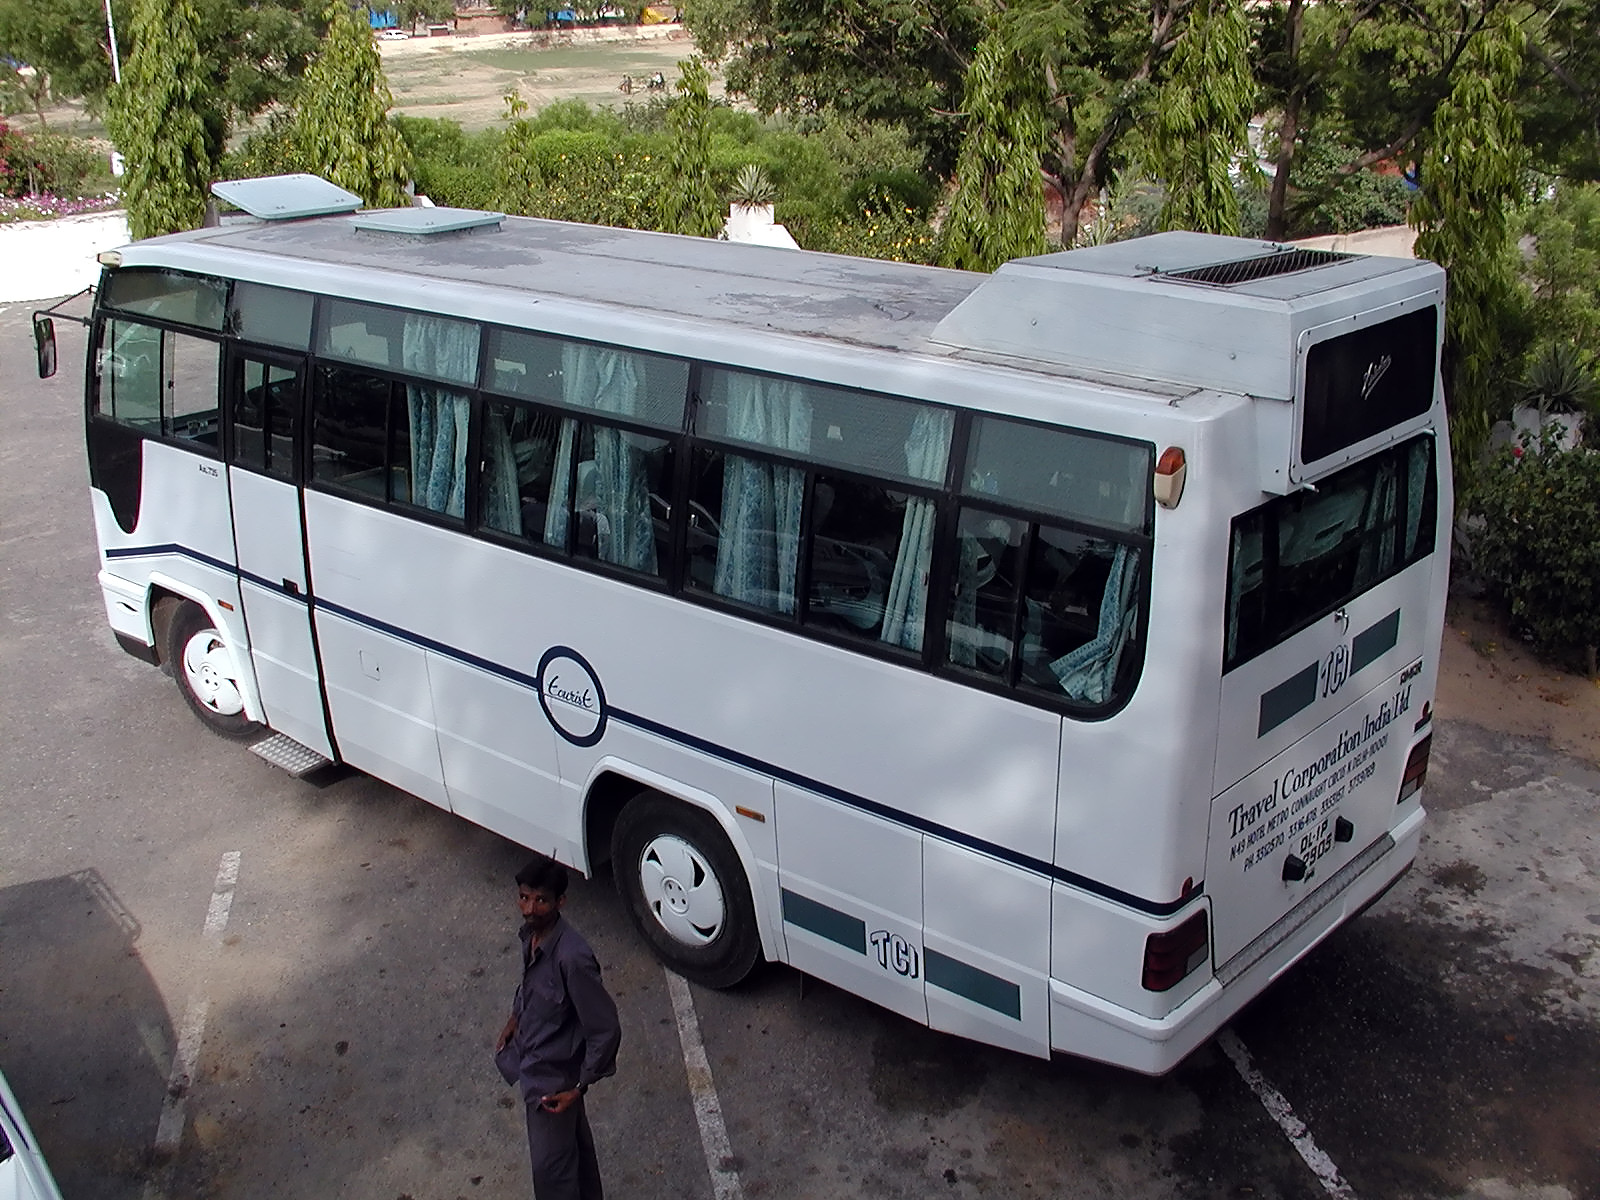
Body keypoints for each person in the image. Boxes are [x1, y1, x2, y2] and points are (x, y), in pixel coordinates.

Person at [495, 854, 622, 1200]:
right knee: (575, 1158)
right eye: (524, 897)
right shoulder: (531, 937)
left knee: (551, 1174)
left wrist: (579, 1087)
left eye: (540, 900)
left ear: (560, 902)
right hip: (534, 1064)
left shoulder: (572, 958)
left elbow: (605, 1028)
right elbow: (531, 987)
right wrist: (515, 1018)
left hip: (553, 1085)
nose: (529, 908)